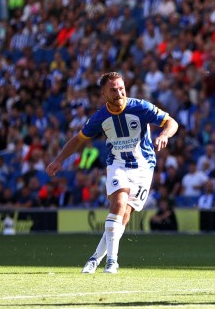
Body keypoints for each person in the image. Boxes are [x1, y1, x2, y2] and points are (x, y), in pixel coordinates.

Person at [46, 72, 178, 274]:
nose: (119, 93)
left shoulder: (140, 107)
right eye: (113, 90)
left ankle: (94, 259)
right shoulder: (100, 117)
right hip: (117, 164)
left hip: (144, 168)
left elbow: (171, 122)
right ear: (104, 94)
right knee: (117, 204)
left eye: (121, 88)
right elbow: (79, 139)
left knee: (123, 217)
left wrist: (164, 134)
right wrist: (59, 159)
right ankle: (112, 262)